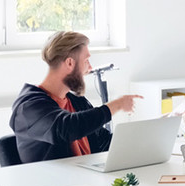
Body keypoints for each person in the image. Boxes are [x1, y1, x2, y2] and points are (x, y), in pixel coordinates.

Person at [10, 31, 141, 163]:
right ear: (70, 63)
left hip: (85, 179)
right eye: (86, 61)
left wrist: (144, 139)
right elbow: (67, 128)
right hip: (55, 182)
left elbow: (103, 141)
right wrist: (116, 105)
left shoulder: (77, 103)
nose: (89, 68)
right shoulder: (28, 108)